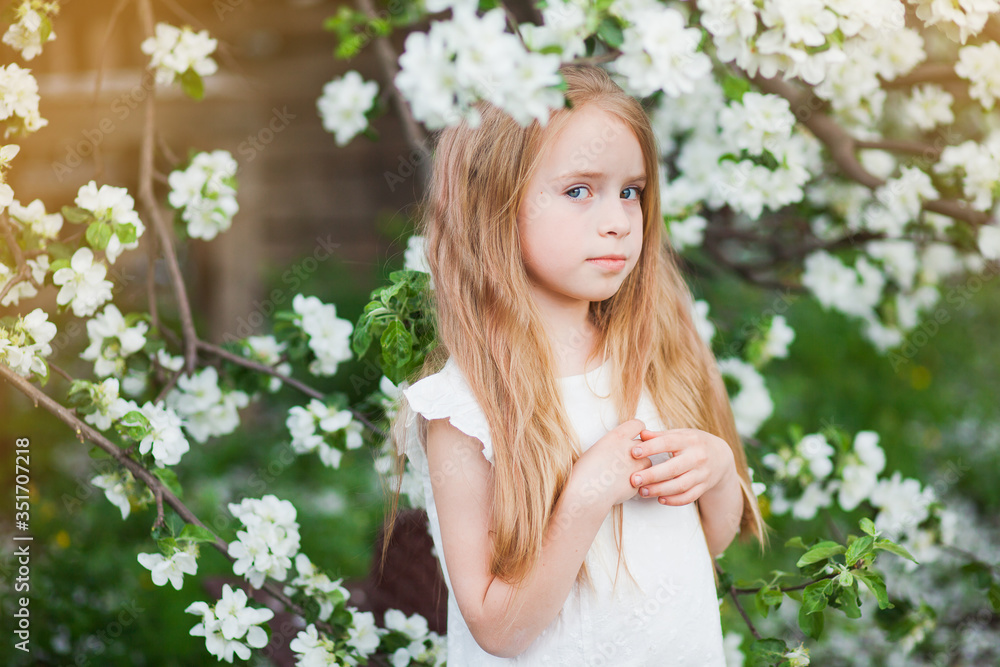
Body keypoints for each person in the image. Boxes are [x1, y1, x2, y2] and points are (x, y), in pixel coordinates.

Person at [381, 63, 770, 665]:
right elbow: (498, 629)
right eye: (578, 191)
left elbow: (702, 546)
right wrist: (586, 495)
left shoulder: (657, 357)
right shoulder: (464, 409)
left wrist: (718, 471)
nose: (617, 220)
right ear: (495, 205)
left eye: (630, 191)